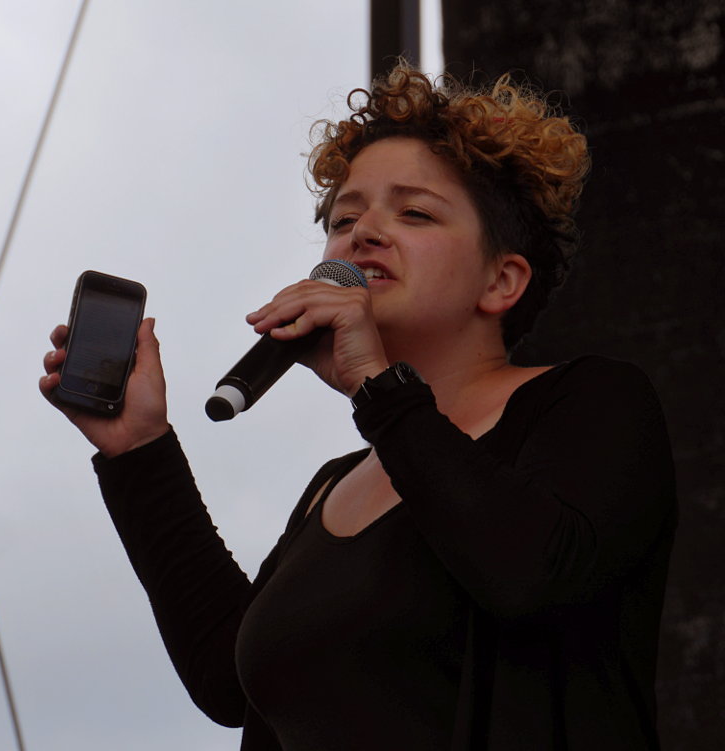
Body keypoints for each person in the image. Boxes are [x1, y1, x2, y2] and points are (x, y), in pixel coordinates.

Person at [40, 64, 676, 750]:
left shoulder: (591, 401)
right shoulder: (333, 486)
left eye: (414, 212)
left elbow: (530, 573)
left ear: (501, 279)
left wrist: (377, 385)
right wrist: (140, 450)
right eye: (345, 217)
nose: (362, 232)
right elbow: (230, 679)